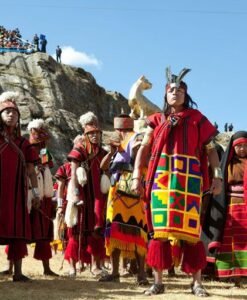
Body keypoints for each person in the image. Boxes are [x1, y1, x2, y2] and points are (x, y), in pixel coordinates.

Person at [131, 67, 222, 296]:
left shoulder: (197, 119)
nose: (176, 93)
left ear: (186, 94)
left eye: (180, 90)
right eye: (172, 90)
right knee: (159, 233)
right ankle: (158, 282)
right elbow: (143, 148)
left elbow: (211, 150)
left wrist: (218, 175)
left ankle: (197, 283)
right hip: (161, 181)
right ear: (165, 95)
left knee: (191, 234)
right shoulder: (156, 120)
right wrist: (136, 175)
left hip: (189, 182)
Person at [99, 114, 148, 285]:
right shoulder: (117, 146)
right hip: (116, 192)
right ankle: (115, 272)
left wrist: (130, 152)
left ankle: (141, 274)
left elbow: (141, 161)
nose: (119, 132)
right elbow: (103, 167)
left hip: (133, 189)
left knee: (138, 230)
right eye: (119, 130)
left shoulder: (137, 138)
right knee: (113, 230)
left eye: (122, 129)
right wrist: (112, 152)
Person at [0, 91, 40, 281]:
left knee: (17, 230)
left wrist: (36, 192)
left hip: (16, 193)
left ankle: (17, 272)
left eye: (14, 113)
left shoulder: (24, 143)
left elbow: (31, 170)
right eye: (7, 112)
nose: (11, 115)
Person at [64, 112, 107, 277]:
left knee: (96, 230)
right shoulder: (79, 151)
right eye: (91, 134)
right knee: (76, 230)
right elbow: (74, 174)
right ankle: (73, 267)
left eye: (97, 133)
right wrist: (74, 194)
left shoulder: (103, 153)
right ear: (85, 135)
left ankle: (95, 266)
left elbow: (107, 173)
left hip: (98, 197)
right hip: (81, 195)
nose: (95, 136)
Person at [202, 131, 247, 287]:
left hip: (246, 208)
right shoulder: (225, 165)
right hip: (231, 209)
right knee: (231, 241)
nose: (242, 149)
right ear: (233, 147)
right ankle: (230, 274)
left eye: (245, 146)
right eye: (238, 146)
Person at [27, 119, 58, 276]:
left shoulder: (44, 152)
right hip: (29, 192)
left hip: (44, 194)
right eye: (37, 132)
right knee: (20, 229)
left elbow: (47, 167)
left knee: (44, 231)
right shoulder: (25, 148)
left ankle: (46, 268)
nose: (41, 136)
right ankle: (12, 267)